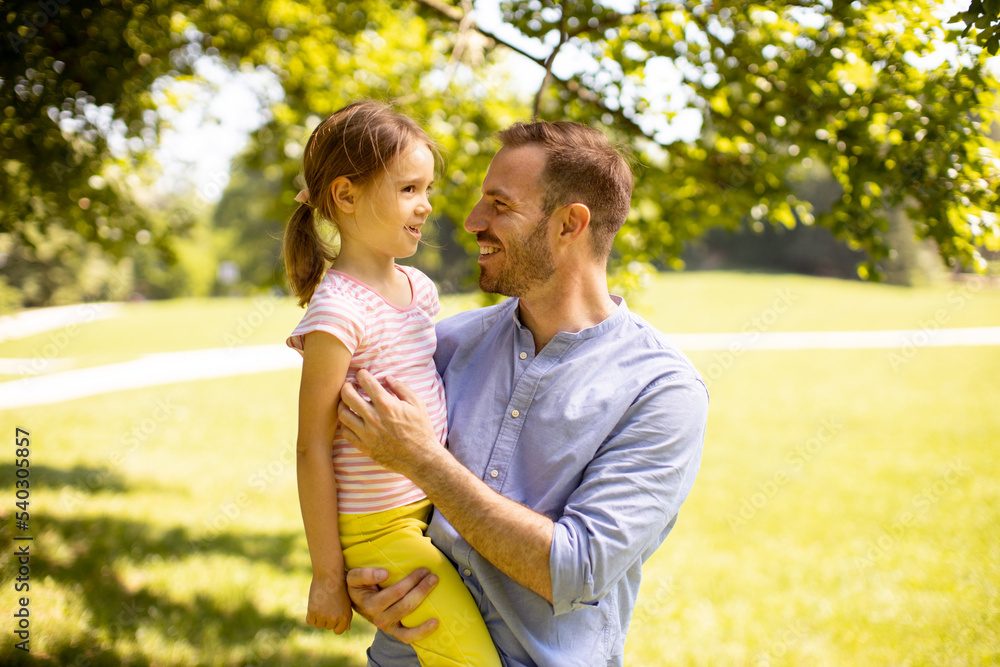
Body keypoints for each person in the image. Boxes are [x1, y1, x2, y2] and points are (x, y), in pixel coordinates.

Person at [337, 120, 710, 666]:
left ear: (569, 224)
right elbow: (368, 487)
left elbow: (576, 570)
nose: (472, 222)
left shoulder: (661, 391)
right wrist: (365, 581)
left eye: (500, 205)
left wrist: (424, 459)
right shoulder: (444, 344)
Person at [283, 99, 500, 667]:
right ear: (346, 195)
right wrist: (329, 576)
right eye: (408, 189)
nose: (425, 206)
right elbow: (310, 446)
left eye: (426, 190)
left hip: (430, 510)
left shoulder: (418, 289)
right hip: (377, 530)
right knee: (471, 659)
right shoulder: (337, 314)